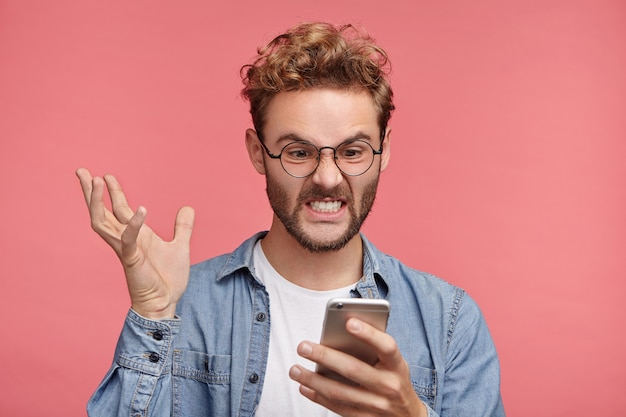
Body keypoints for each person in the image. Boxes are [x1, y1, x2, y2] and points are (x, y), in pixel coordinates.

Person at [77, 22, 505, 417]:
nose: (327, 177)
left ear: (384, 151)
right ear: (257, 152)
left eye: (352, 151)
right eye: (298, 152)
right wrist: (152, 316)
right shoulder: (182, 307)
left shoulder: (449, 321)